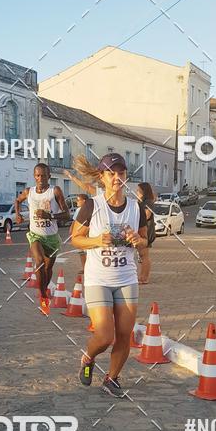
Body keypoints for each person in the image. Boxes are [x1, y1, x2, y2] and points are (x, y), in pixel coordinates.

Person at [71, 153, 147, 398]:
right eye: (111, 173)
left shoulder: (136, 207)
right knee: (105, 336)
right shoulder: (92, 206)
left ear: (126, 176)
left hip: (126, 278)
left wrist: (138, 240)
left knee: (124, 334)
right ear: (101, 177)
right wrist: (96, 240)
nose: (117, 178)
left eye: (121, 173)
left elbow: (145, 242)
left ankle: (111, 378)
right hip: (98, 279)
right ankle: (89, 357)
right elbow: (75, 239)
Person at [15, 163, 69, 314]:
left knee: (47, 268)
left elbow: (67, 214)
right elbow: (18, 201)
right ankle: (43, 296)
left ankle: (44, 289)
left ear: (49, 176)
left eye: (43, 176)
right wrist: (18, 214)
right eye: (37, 176)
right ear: (34, 176)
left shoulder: (54, 191)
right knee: (39, 262)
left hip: (52, 237)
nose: (40, 179)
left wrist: (49, 216)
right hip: (35, 235)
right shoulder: (29, 192)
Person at [136, 183, 156, 284]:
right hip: (142, 231)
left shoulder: (148, 202)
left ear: (144, 191)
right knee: (141, 256)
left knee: (144, 256)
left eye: (138, 190)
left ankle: (144, 278)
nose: (137, 192)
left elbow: (146, 215)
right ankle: (142, 276)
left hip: (147, 232)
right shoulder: (142, 202)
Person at [71, 193, 89, 272]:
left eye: (78, 200)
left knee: (88, 252)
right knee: (81, 252)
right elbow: (74, 221)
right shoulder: (78, 210)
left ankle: (89, 268)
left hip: (87, 233)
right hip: (79, 233)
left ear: (84, 201)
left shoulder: (90, 209)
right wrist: (71, 229)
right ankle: (84, 268)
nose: (76, 202)